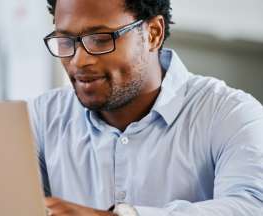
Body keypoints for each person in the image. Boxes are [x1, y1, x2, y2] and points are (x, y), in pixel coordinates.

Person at [28, 0, 263, 215]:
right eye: (66, 41)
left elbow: (251, 206)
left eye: (99, 39)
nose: (79, 61)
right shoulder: (40, 119)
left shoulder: (231, 114)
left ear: (153, 34)